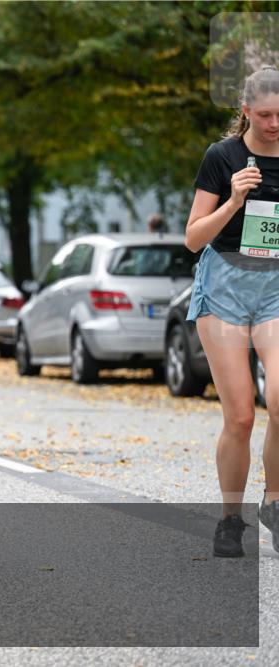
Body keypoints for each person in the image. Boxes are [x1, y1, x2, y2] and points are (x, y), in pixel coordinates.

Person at [184, 65, 279, 557]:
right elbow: (193, 237)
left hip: (276, 289)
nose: (275, 123)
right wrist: (234, 200)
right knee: (240, 416)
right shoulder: (222, 157)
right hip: (224, 285)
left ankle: (275, 501)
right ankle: (228, 518)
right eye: (265, 114)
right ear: (244, 111)